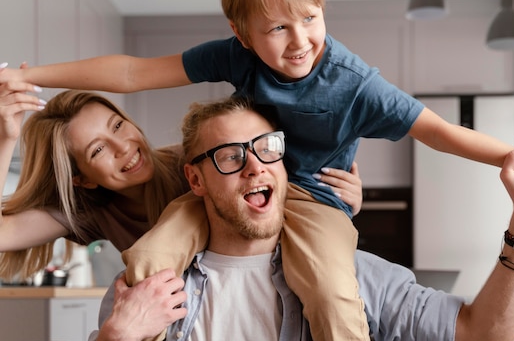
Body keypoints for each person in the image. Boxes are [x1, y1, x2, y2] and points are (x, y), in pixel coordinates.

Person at [0, 0, 514, 341]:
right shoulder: (186, 172)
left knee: (335, 292)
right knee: (151, 257)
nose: (299, 42)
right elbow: (132, 70)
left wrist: (510, 159)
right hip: (210, 224)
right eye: (276, 29)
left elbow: (436, 130)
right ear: (197, 177)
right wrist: (33, 75)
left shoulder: (354, 82)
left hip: (314, 199)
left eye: (309, 18)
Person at [81, 95, 514, 341]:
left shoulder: (345, 276)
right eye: (231, 156)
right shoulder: (144, 289)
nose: (255, 167)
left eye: (266, 148)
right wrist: (117, 338)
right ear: (195, 179)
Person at [0, 88, 362, 281]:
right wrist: (6, 137)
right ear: (81, 179)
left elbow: (270, 178)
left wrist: (345, 200)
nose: (123, 146)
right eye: (98, 150)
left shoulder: (198, 164)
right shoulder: (92, 212)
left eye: (117, 125)